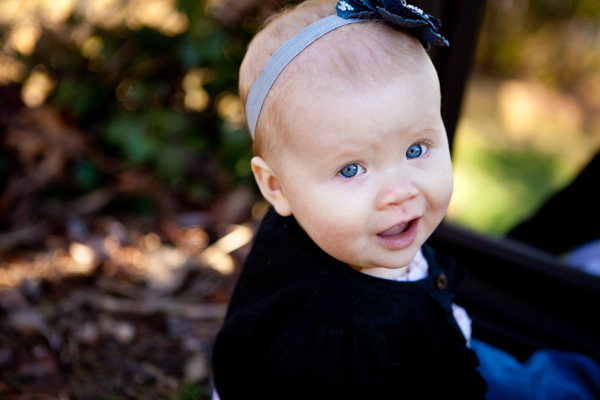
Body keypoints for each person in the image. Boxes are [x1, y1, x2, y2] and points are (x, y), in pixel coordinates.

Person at [212, 1, 600, 399]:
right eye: (351, 169)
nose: (401, 191)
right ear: (276, 187)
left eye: (416, 149)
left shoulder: (323, 228)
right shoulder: (330, 355)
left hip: (441, 349)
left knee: (547, 380)